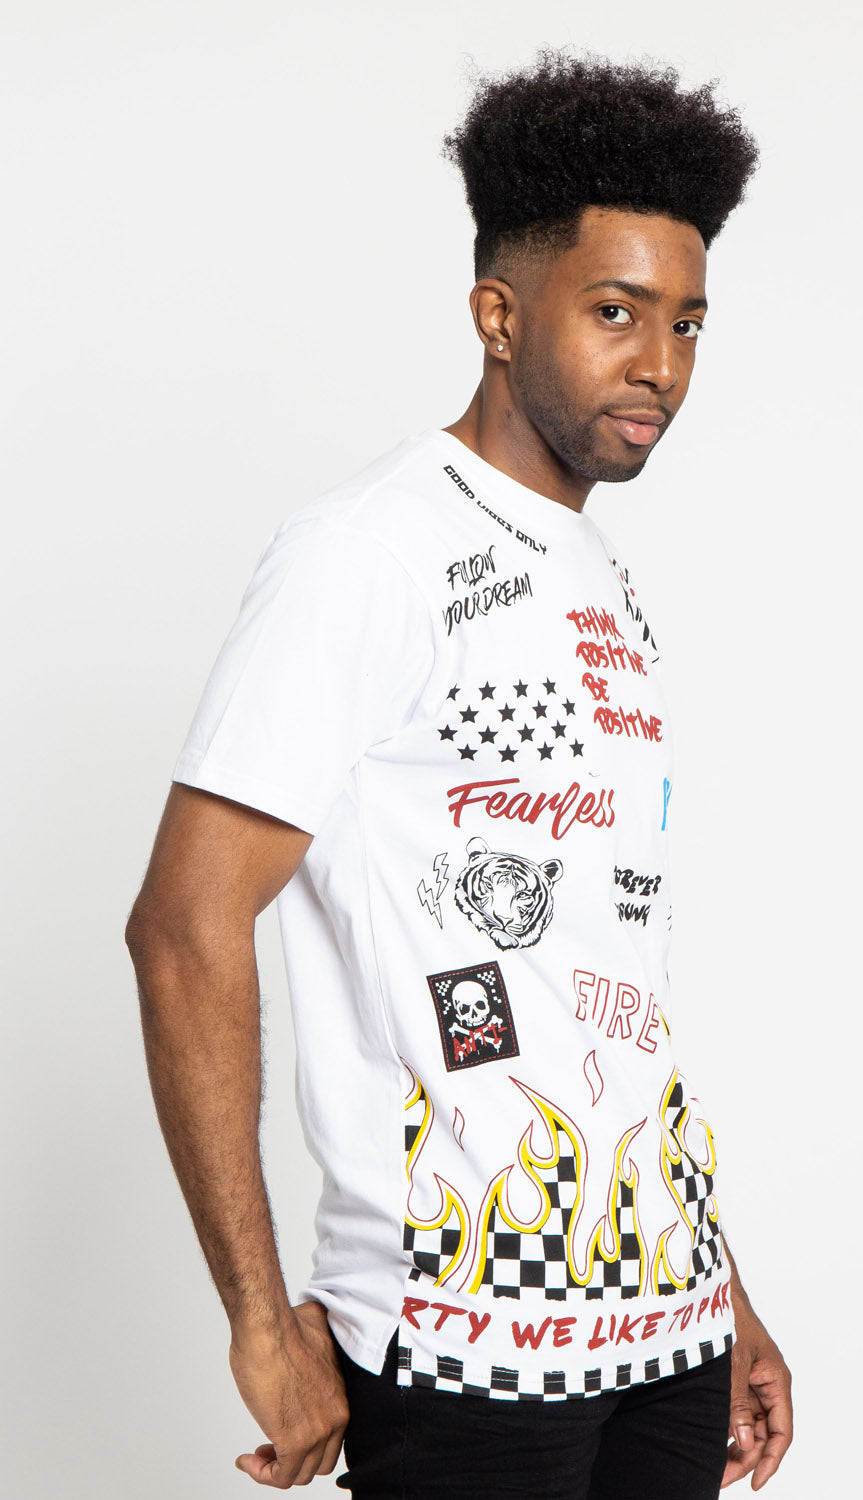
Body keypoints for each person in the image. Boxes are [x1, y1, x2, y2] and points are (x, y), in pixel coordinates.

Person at [126, 49, 793, 1498]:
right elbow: (182, 924)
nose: (661, 364)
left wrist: (721, 1285)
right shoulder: (368, 551)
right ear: (499, 315)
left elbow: (603, 979)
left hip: (666, 1334)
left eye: (686, 322)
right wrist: (261, 1321)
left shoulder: (600, 575)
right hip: (462, 1344)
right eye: (614, 312)